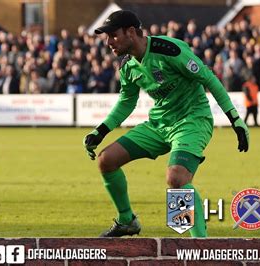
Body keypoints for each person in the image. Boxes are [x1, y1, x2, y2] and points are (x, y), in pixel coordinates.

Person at [84, 10, 249, 238]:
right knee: (106, 160)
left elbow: (209, 79)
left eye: (113, 35)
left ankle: (200, 247)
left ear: (131, 32)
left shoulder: (170, 50)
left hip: (192, 120)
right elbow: (126, 101)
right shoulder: (127, 65)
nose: (109, 42)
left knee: (176, 179)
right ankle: (127, 221)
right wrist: (101, 130)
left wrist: (235, 119)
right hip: (159, 124)